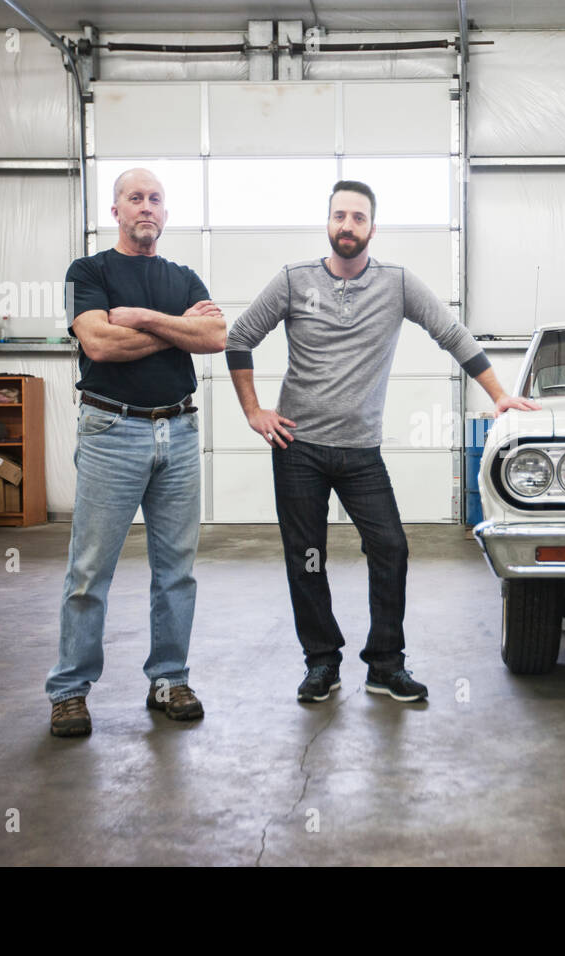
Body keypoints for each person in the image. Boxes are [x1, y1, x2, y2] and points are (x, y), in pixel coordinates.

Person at [226, 180, 539, 704]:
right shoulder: (291, 280)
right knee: (307, 556)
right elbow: (239, 337)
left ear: (373, 227)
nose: (347, 226)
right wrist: (255, 412)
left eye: (358, 218)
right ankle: (322, 663)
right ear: (327, 223)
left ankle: (385, 663)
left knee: (390, 548)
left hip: (360, 451)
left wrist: (500, 394)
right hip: (298, 449)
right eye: (339, 216)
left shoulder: (396, 283)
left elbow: (453, 334)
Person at [46, 168, 227, 737]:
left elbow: (218, 337)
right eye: (134, 198)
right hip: (110, 430)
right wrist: (178, 331)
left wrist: (143, 319)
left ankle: (169, 678)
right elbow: (97, 342)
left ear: (165, 214)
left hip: (178, 430)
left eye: (155, 199)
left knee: (176, 571)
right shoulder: (88, 271)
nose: (145, 207)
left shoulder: (183, 275)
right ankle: (70, 690)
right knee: (89, 569)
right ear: (116, 210)